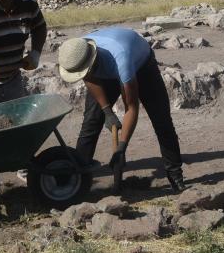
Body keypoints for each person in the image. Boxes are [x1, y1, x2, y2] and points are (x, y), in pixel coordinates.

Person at [56, 27, 186, 192]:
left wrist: (121, 148)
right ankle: (77, 179)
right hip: (106, 61)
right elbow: (87, 77)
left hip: (141, 65)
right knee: (92, 121)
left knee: (161, 120)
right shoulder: (77, 52)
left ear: (93, 60)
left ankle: (175, 175)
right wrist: (106, 110)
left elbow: (131, 107)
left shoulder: (121, 61)